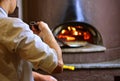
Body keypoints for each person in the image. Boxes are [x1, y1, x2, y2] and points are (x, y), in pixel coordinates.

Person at [0, 0, 64, 81]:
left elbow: (4, 69)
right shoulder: (13, 26)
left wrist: (41, 77)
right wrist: (47, 32)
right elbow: (57, 65)